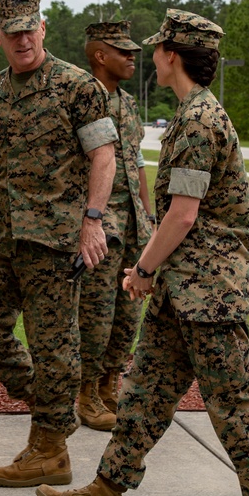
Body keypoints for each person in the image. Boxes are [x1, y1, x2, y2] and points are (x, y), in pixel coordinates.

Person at [36, 9, 249, 496]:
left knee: (235, 403)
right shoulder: (190, 114)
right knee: (147, 394)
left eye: (155, 48)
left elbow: (181, 215)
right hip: (186, 291)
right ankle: (104, 494)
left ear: (171, 56)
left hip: (210, 291)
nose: (148, 55)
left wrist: (143, 269)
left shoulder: (200, 121)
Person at [0, 0, 118, 488]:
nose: (23, 39)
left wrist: (92, 221)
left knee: (55, 345)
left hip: (57, 241)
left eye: (30, 30)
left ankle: (49, 449)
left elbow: (104, 157)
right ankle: (52, 403)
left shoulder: (78, 86)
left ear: (44, 29)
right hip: (7, 233)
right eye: (13, 33)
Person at [75, 21, 154, 431]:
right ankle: (86, 395)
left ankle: (108, 387)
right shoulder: (78, 97)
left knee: (127, 316)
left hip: (134, 226)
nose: (132, 58)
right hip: (101, 228)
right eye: (123, 51)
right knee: (96, 316)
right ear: (99, 55)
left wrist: (148, 212)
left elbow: (137, 161)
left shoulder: (126, 102)